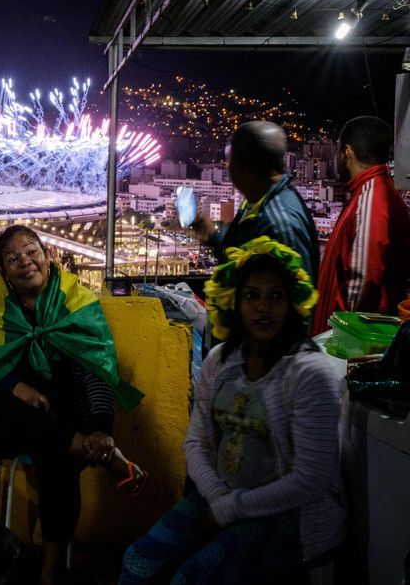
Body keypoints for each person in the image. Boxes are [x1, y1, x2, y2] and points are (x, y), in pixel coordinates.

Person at [120, 237, 345, 583]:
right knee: (138, 560)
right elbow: (196, 442)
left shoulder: (309, 374)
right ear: (234, 302)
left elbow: (310, 480)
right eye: (251, 296)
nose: (263, 308)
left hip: (289, 516)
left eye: (275, 296)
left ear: (292, 304)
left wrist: (230, 508)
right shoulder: (221, 361)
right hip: (220, 496)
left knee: (194, 575)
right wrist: (218, 497)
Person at [0, 225, 147, 585]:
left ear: (48, 255)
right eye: (13, 259)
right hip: (13, 423)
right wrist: (15, 386)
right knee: (12, 416)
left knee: (56, 451)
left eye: (32, 252)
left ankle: (50, 571)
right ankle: (99, 454)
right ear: (4, 271)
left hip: (63, 415)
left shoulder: (74, 300)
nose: (26, 262)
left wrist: (102, 429)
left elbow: (95, 368)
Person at [313, 115, 410, 335]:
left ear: (347, 152)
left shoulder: (371, 198)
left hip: (347, 343)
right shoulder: (377, 192)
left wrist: (340, 334)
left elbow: (362, 279)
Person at [192, 120, 319, 281]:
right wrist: (214, 234)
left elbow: (298, 291)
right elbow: (248, 255)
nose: (228, 167)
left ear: (241, 168)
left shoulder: (280, 224)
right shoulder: (256, 201)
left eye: (230, 161)